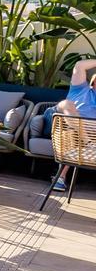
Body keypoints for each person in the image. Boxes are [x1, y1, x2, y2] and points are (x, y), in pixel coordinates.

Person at [46, 58, 96, 190]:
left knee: (77, 132)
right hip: (56, 119)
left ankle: (60, 178)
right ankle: (90, 143)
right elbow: (79, 65)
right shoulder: (82, 88)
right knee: (67, 104)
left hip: (78, 131)